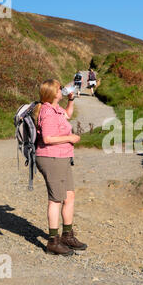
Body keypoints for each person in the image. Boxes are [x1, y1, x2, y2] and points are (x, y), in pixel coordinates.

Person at [33, 79, 87, 256]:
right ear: (51, 92)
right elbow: (47, 139)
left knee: (69, 196)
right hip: (51, 158)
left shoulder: (56, 109)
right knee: (55, 199)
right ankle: (53, 241)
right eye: (59, 88)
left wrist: (71, 99)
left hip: (62, 157)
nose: (62, 90)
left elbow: (68, 115)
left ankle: (67, 235)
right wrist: (70, 138)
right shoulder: (47, 112)